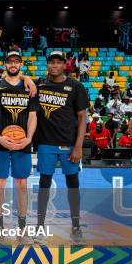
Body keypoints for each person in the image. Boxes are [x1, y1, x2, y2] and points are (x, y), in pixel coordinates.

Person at [35, 51, 89, 245]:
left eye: (58, 62)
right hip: (46, 143)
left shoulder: (76, 86)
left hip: (69, 144)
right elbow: (17, 81)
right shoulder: (39, 84)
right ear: (47, 65)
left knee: (73, 184)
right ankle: (40, 227)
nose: (54, 66)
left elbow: (82, 117)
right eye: (51, 62)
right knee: (44, 184)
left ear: (65, 65)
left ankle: (76, 228)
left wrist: (78, 146)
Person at [0, 51, 38, 244]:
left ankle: (22, 228)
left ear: (21, 64)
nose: (13, 64)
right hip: (0, 142)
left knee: (21, 184)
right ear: (5, 64)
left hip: (22, 142)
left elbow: (33, 115)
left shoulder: (29, 87)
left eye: (17, 61)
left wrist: (29, 138)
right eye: (10, 61)